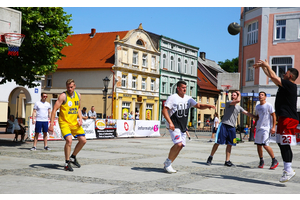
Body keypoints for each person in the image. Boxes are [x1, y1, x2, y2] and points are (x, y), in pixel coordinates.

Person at [254, 59, 299, 183]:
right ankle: (287, 169)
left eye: (285, 73)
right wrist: (264, 66)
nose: (283, 74)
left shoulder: (290, 85)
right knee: (281, 143)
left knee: (284, 144)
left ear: (290, 75)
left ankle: (288, 170)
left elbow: (273, 76)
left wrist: (267, 65)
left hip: (288, 119)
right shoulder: (285, 85)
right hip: (284, 119)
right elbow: (271, 76)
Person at [162, 80, 216, 173]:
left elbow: (198, 105)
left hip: (183, 125)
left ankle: (169, 163)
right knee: (178, 143)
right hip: (174, 125)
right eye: (183, 88)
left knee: (181, 145)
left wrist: (207, 106)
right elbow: (164, 110)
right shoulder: (172, 98)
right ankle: (167, 163)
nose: (185, 89)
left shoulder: (188, 98)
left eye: (186, 88)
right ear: (178, 88)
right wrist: (170, 123)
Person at [206, 91, 257, 167]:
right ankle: (210, 157)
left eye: (234, 95)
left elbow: (247, 113)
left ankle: (227, 161)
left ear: (236, 96)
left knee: (230, 144)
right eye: (232, 95)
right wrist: (239, 94)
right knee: (218, 142)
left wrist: (255, 117)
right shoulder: (229, 103)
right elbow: (238, 100)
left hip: (232, 127)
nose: (233, 96)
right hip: (224, 125)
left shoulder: (239, 107)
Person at [48, 79, 86, 172]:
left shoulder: (78, 95)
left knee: (83, 141)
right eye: (68, 87)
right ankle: (67, 162)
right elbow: (54, 110)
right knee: (69, 140)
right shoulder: (63, 96)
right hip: (64, 122)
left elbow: (78, 108)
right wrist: (51, 124)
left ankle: (73, 157)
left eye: (71, 87)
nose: (70, 88)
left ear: (75, 86)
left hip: (74, 122)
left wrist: (80, 118)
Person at [255, 91, 278, 169]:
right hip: (258, 128)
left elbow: (274, 116)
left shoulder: (269, 105)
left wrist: (273, 127)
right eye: (259, 95)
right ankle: (261, 160)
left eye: (262, 95)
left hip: (266, 128)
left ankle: (274, 160)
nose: (260, 96)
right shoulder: (257, 107)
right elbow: (257, 117)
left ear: (265, 97)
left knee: (265, 145)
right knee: (258, 145)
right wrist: (253, 126)